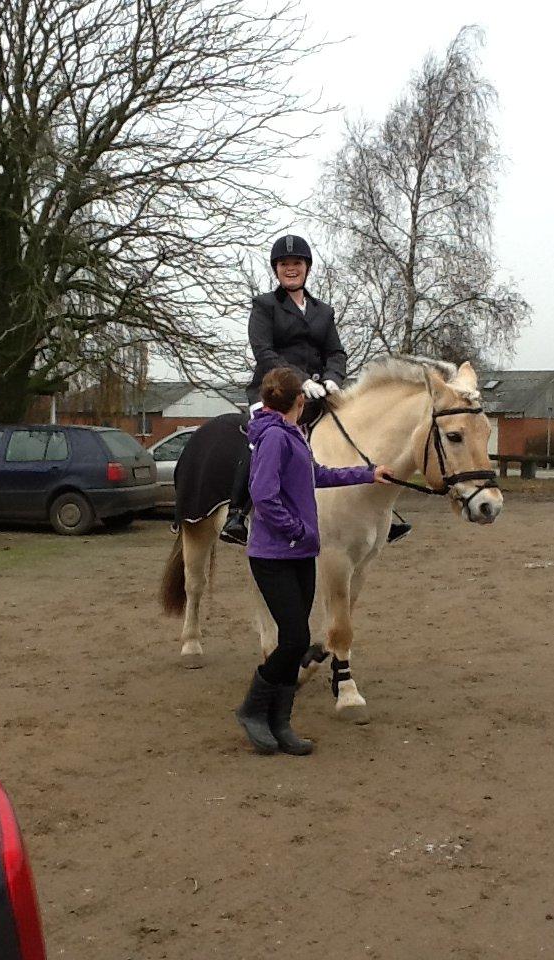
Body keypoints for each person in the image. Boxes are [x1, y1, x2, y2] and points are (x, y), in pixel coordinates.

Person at [235, 367, 392, 756]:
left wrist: (368, 474)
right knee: (295, 639)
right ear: (300, 402)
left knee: (298, 638)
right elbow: (264, 495)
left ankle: (281, 723)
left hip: (300, 553)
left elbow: (316, 475)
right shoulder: (273, 437)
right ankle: (253, 710)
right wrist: (298, 530)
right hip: (275, 554)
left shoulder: (295, 435)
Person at [220, 233, 411, 546]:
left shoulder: (323, 311)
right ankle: (237, 513)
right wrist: (299, 379)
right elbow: (264, 351)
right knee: (260, 438)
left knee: (355, 430)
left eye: (297, 263)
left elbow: (336, 352)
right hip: (273, 390)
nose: (291, 268)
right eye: (284, 264)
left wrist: (334, 376)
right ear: (276, 269)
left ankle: (381, 513)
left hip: (318, 390)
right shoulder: (265, 306)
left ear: (306, 267)